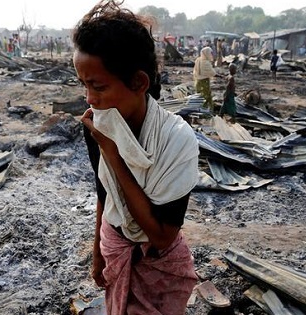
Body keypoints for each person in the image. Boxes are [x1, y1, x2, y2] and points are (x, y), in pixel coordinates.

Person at [73, 1, 199, 313]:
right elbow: (104, 193)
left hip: (158, 265)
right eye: (83, 85)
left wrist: (113, 154)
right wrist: (98, 254)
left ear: (139, 83)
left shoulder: (176, 140)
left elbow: (161, 236)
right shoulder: (98, 125)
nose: (89, 98)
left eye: (98, 86)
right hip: (114, 246)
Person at [193, 46, 216, 111]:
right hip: (204, 83)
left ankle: (202, 111)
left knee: (200, 97)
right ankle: (205, 113)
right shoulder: (205, 63)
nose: (211, 54)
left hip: (198, 82)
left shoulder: (198, 60)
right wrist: (222, 76)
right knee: (205, 98)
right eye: (210, 53)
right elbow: (213, 73)